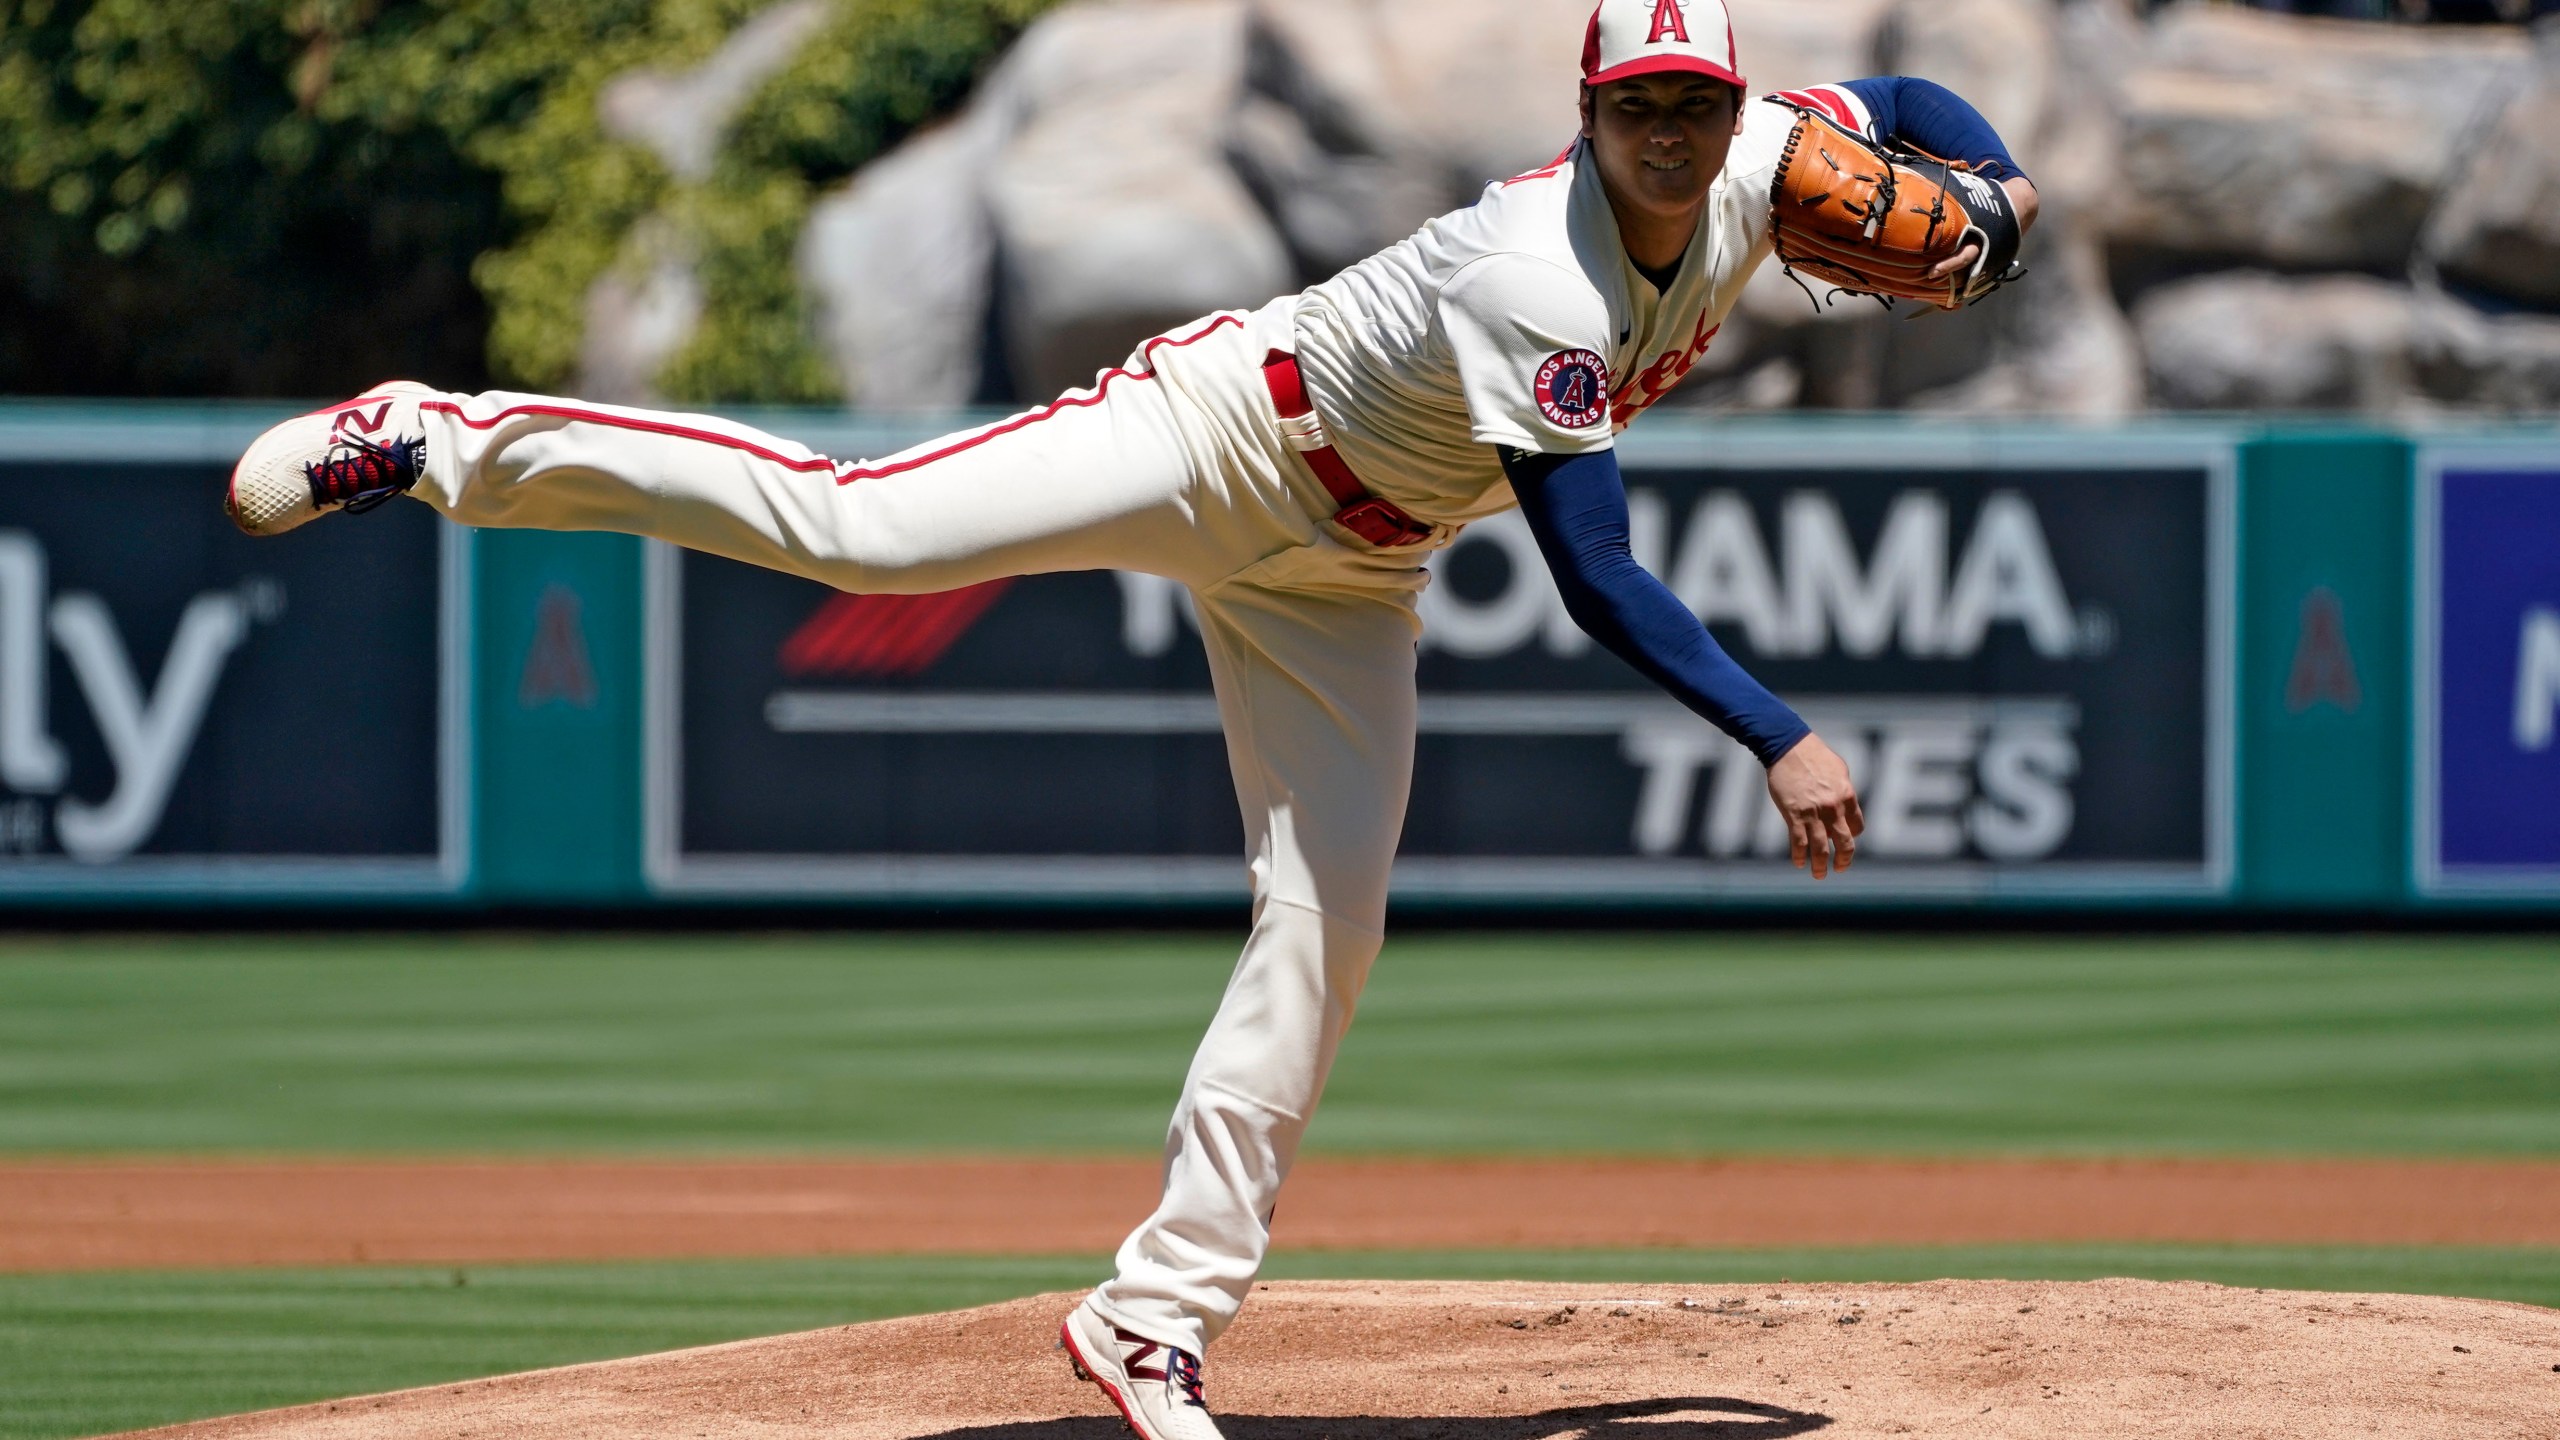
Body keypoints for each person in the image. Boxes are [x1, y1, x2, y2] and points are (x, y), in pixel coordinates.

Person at [226, 2, 2036, 1435]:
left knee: (1327, 934)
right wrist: (1775, 731)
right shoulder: (1535, 279)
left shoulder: (1765, 146)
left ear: (1735, 110)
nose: (1666, 132)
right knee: (859, 524)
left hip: (1355, 572)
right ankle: (435, 436)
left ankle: (1149, 1322)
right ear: (1587, 110)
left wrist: (2006, 189)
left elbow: (1915, 105)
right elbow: (1596, 573)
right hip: (1217, 440)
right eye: (1633, 105)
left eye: (1692, 107)